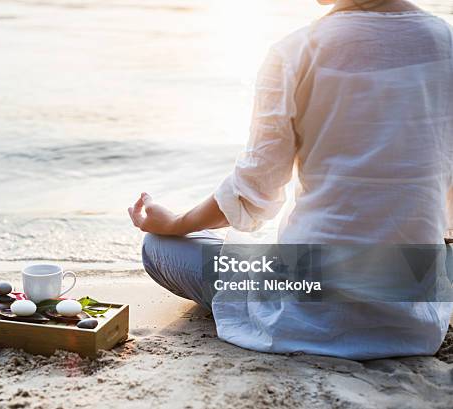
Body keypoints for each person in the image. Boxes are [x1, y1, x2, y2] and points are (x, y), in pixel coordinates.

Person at [128, 0, 453, 359]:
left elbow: (253, 192)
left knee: (159, 249)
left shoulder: (295, 51)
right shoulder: (446, 41)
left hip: (308, 305)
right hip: (412, 314)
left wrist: (176, 222)